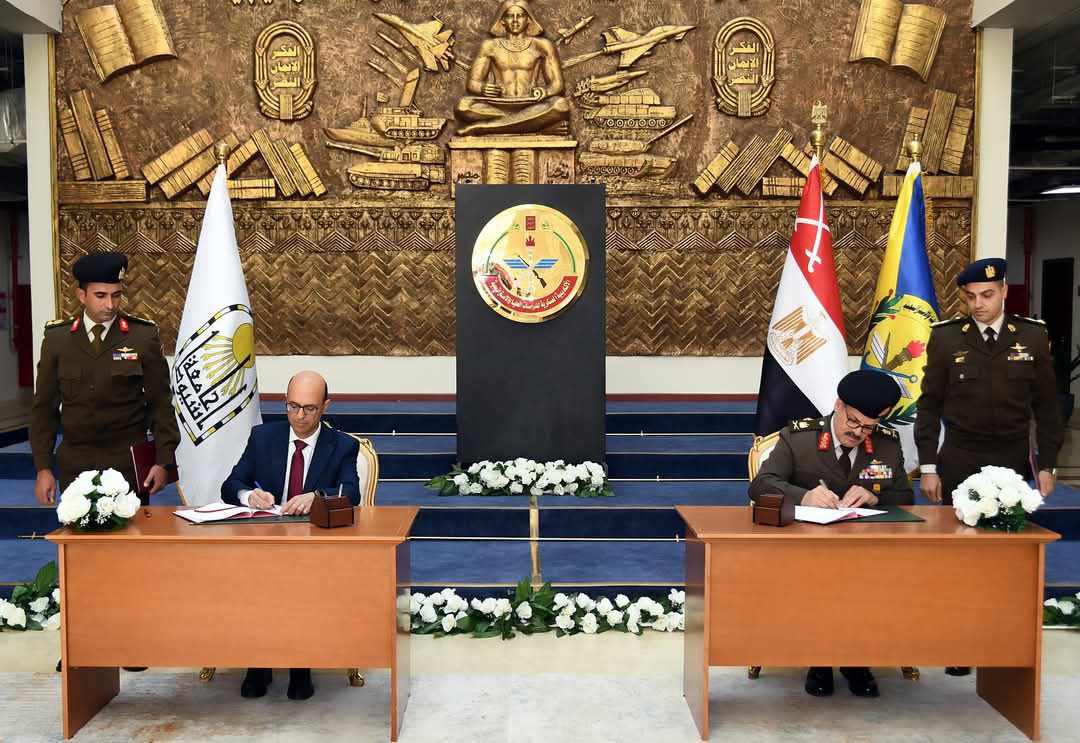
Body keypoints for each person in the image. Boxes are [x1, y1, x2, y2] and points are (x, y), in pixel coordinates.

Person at [914, 257, 1062, 677]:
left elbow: (1047, 407)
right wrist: (928, 465)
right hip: (960, 457)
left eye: (987, 295)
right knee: (958, 556)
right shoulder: (946, 338)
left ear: (1004, 293)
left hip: (1012, 461)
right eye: (971, 297)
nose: (978, 304)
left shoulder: (1032, 336)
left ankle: (1000, 638)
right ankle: (958, 642)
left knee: (1007, 556)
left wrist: (1048, 464)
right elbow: (929, 406)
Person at [749, 369, 911, 698]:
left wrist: (875, 496)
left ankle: (856, 661)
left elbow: (906, 498)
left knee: (873, 580)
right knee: (821, 579)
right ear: (839, 405)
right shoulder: (800, 438)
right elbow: (761, 485)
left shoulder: (887, 444)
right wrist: (804, 496)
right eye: (853, 422)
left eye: (868, 427)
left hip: (865, 551)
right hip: (806, 549)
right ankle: (820, 660)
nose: (858, 432)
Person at [221, 369, 360, 701]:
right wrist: (248, 496)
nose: (299, 416)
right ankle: (258, 664)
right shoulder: (263, 437)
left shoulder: (342, 445)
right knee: (250, 580)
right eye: (292, 406)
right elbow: (231, 485)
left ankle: (300, 666)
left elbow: (351, 493)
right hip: (266, 543)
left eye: (309, 408)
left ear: (325, 406)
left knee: (301, 582)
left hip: (314, 548)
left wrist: (317, 497)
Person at [31, 251, 179, 505]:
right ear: (82, 295)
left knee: (133, 531)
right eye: (101, 295)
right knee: (78, 532)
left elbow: (161, 405)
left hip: (128, 466)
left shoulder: (142, 337)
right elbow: (44, 410)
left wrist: (163, 461)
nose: (110, 304)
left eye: (116, 295)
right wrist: (43, 468)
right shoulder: (57, 340)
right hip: (76, 466)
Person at [455, 0, 571, 136]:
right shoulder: (490, 46)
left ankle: (483, 128)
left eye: (520, 16)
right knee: (463, 106)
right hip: (498, 104)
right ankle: (537, 127)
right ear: (502, 20)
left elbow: (557, 84)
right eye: (510, 16)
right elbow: (472, 83)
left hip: (531, 103)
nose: (515, 20)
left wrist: (545, 92)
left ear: (528, 19)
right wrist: (483, 88)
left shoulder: (542, 45)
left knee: (560, 105)